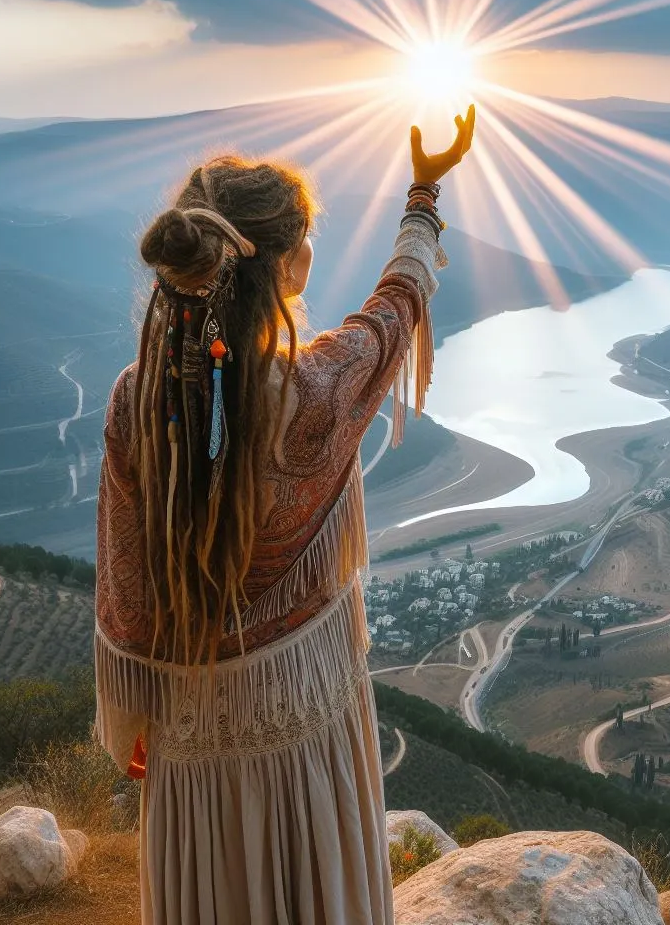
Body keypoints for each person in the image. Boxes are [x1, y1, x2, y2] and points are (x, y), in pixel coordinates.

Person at [93, 105, 476, 924]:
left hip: (189, 722)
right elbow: (396, 307)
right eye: (304, 239)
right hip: (304, 716)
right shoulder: (317, 392)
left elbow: (126, 575)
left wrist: (131, 714)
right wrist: (424, 193)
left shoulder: (135, 403)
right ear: (283, 269)